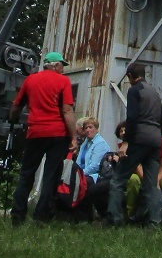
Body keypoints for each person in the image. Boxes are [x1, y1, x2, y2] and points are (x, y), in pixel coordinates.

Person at [7, 51, 76, 225]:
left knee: (26, 174)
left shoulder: (30, 80)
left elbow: (17, 105)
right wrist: (73, 137)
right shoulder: (63, 81)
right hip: (57, 134)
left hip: (35, 132)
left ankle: (17, 214)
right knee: (51, 175)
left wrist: (12, 119)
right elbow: (67, 110)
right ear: (54, 65)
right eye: (61, 65)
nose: (62, 69)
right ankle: (41, 217)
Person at [107, 62, 162, 227]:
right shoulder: (155, 92)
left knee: (118, 180)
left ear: (130, 76)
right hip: (155, 142)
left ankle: (115, 220)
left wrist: (126, 142)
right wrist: (155, 135)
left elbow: (132, 118)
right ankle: (156, 223)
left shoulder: (134, 90)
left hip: (139, 139)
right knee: (151, 184)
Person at [125, 130, 162, 226]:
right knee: (133, 180)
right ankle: (131, 215)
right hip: (140, 174)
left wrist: (156, 180)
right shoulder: (139, 138)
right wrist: (147, 179)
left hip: (157, 176)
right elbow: (137, 164)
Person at [76, 116, 113, 219]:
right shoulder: (85, 143)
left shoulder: (100, 143)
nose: (88, 130)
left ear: (96, 129)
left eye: (91, 127)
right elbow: (78, 162)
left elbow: (95, 166)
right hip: (82, 173)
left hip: (96, 175)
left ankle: (85, 216)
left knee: (84, 183)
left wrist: (80, 174)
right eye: (86, 128)